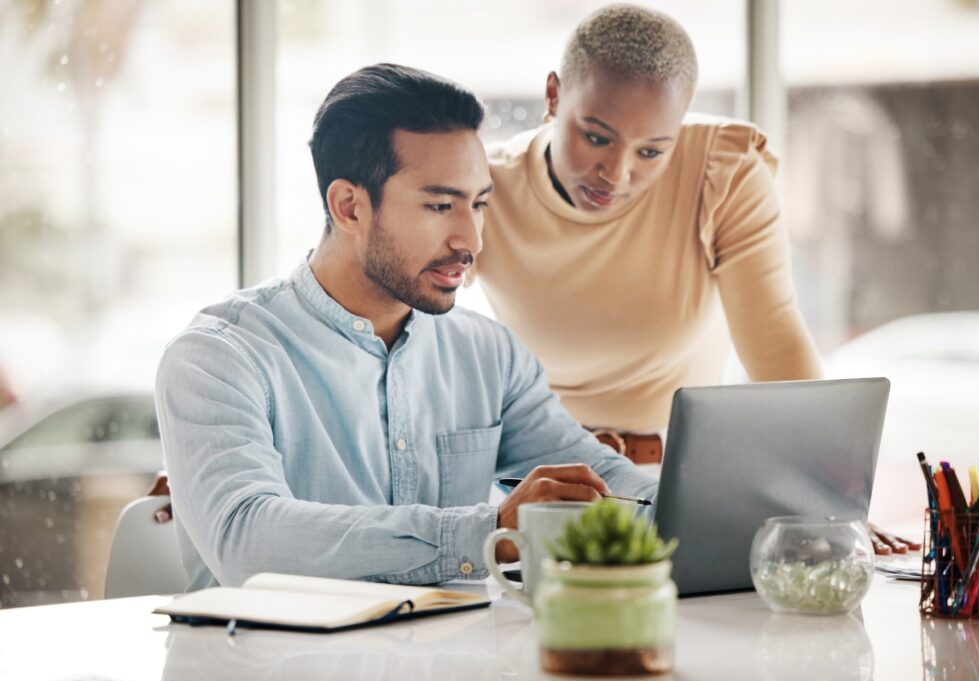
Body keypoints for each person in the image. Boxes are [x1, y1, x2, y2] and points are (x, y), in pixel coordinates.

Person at [154, 63, 657, 590]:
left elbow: (600, 480)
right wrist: (493, 531)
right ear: (349, 206)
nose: (471, 241)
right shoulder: (219, 358)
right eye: (440, 205)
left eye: (479, 205)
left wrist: (693, 510)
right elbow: (248, 540)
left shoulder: (489, 355)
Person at [475, 4, 822, 463]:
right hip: (537, 473)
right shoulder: (485, 186)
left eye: (652, 152)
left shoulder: (723, 171)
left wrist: (826, 493)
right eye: (597, 138)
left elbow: (777, 349)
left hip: (678, 474)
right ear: (554, 96)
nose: (616, 175)